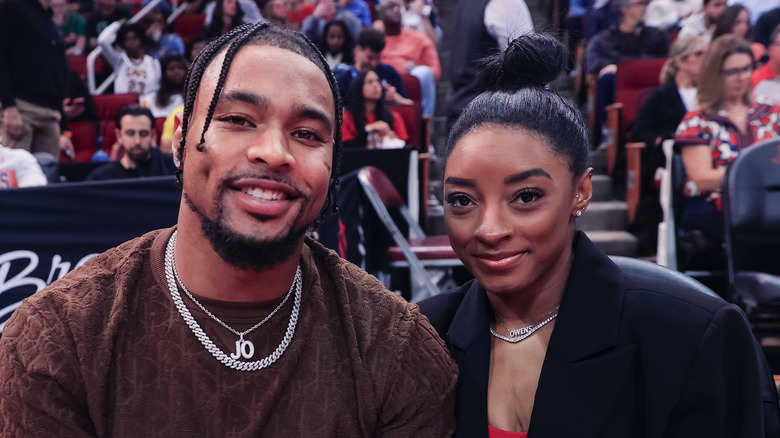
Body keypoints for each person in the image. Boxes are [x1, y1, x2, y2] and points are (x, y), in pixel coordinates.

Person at [0, 23, 457, 435]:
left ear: (332, 167)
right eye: (238, 119)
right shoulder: (55, 341)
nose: (274, 151)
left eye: (307, 134)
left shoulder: (397, 349)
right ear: (180, 145)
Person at [419, 32, 779, 437]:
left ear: (581, 192)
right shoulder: (420, 336)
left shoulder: (692, 336)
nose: (490, 230)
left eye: (526, 196)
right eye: (462, 201)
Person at [675, 34, 780, 245]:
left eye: (746, 68)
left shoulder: (772, 111)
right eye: (732, 72)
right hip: (714, 203)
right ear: (714, 74)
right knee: (752, 217)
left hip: (770, 199)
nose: (742, 77)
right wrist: (754, 177)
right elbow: (702, 178)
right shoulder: (697, 120)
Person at [630, 35, 707, 255]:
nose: (705, 60)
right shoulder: (660, 96)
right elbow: (639, 132)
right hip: (669, 161)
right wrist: (663, 140)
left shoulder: (711, 97)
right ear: (681, 61)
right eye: (698, 54)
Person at [586, 0, 669, 137]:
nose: (645, 8)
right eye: (640, 4)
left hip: (653, 88)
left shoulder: (658, 36)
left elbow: (665, 63)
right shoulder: (603, 40)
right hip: (619, 90)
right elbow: (594, 63)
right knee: (608, 77)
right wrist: (612, 67)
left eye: (646, 4)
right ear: (626, 9)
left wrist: (623, 67)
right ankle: (608, 131)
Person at [446, 0, 534, 126]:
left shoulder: (464, 4)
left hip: (464, 110)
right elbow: (527, 64)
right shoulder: (505, 3)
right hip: (496, 116)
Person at [0, 0, 68, 157]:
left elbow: (57, 70)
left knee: (47, 178)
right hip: (21, 110)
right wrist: (9, 107)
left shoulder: (48, 18)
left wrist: (63, 122)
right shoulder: (13, 6)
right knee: (16, 176)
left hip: (51, 115)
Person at [375, 0, 441, 118]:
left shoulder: (419, 39)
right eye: (390, 8)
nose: (395, 11)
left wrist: (416, 68)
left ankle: (425, 122)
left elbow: (435, 71)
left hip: (411, 83)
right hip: (385, 85)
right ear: (381, 17)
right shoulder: (377, 41)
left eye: (397, 8)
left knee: (424, 72)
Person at [86, 105, 175, 181]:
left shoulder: (174, 169)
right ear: (119, 135)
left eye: (143, 134)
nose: (137, 141)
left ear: (152, 135)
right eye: (130, 133)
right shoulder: (101, 179)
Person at [334, 27, 412, 106]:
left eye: (378, 58)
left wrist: (397, 99)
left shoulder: (389, 72)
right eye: (370, 57)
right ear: (358, 50)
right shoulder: (343, 80)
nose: (374, 63)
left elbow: (410, 106)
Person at [342, 70, 408, 148]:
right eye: (370, 82)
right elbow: (345, 150)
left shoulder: (394, 117)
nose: (376, 85)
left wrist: (393, 139)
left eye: (378, 81)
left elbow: (405, 148)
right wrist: (368, 130)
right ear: (359, 87)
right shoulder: (346, 118)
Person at [98, 21, 162, 95]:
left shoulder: (154, 63)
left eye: (134, 38)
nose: (132, 42)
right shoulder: (119, 60)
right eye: (127, 39)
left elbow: (158, 90)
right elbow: (102, 41)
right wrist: (118, 24)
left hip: (146, 104)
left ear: (141, 39)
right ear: (123, 43)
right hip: (124, 104)